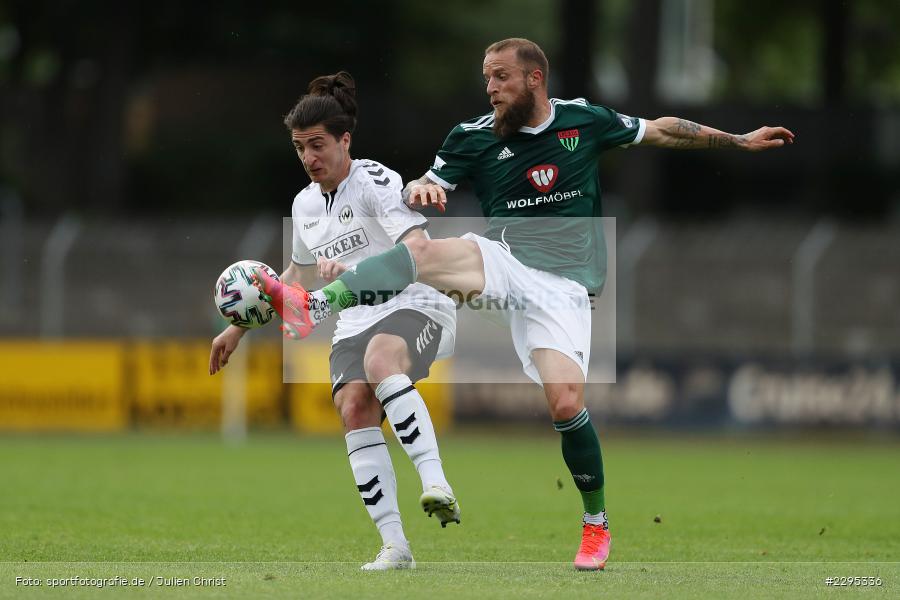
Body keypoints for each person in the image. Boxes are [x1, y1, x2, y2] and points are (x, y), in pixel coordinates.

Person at [255, 39, 795, 571]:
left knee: (564, 402)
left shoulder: (584, 121)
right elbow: (429, 180)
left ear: (534, 78)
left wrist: (737, 140)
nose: (489, 88)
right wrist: (422, 188)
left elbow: (660, 129)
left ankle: (595, 523)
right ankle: (317, 303)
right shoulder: (472, 136)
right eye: (486, 77)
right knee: (421, 252)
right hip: (504, 260)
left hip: (562, 288)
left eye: (500, 77)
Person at [209, 71, 460, 571]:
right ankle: (395, 547)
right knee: (352, 406)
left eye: (317, 145)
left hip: (417, 303)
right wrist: (238, 327)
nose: (308, 158)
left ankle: (436, 482)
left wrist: (353, 273)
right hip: (354, 320)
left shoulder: (376, 182)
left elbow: (417, 248)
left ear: (345, 140)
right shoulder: (304, 203)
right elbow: (294, 275)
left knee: (380, 357)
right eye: (300, 147)